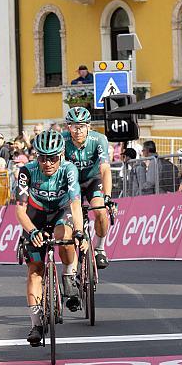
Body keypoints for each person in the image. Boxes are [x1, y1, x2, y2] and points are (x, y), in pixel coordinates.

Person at [16, 130, 88, 347]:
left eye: (52, 158)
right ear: (36, 156)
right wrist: (32, 232)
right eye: (42, 158)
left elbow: (75, 204)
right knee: (35, 270)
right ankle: (36, 324)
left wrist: (79, 231)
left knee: (65, 236)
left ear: (61, 155)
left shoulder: (69, 170)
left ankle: (68, 275)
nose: (47, 163)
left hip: (60, 211)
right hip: (35, 216)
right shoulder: (26, 172)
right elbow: (20, 210)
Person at [62, 106, 113, 269]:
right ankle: (70, 267)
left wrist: (108, 196)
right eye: (73, 126)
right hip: (70, 183)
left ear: (89, 126)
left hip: (92, 180)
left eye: (82, 126)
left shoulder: (99, 139)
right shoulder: (62, 140)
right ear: (68, 127)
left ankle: (100, 248)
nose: (78, 130)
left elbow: (105, 169)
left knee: (100, 211)